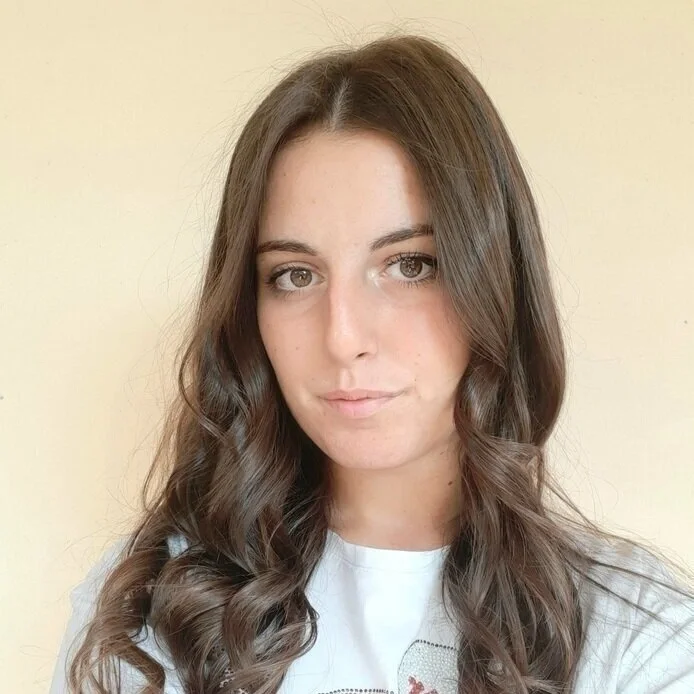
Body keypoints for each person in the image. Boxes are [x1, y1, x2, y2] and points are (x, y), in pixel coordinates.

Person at [49, 33, 694, 694]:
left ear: (495, 283)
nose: (343, 337)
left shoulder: (640, 643)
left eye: (409, 265)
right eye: (295, 275)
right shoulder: (149, 620)